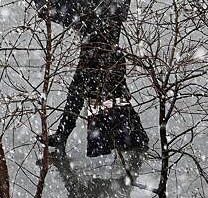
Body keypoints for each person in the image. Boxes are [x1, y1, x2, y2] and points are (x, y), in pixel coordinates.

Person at [47, 14, 149, 158]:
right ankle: (134, 136)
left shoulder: (104, 5)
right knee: (100, 95)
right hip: (96, 55)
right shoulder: (102, 3)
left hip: (100, 56)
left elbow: (105, 31)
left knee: (100, 95)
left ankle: (132, 136)